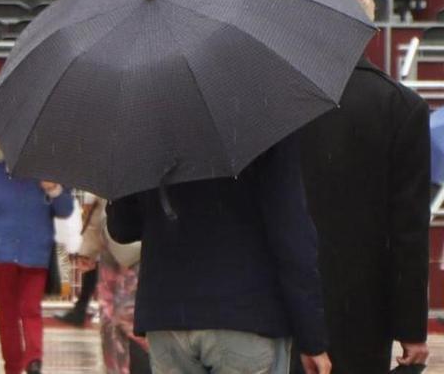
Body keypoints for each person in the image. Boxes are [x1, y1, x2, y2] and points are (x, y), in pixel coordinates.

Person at [107, 135, 332, 374]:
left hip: (167, 314)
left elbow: (122, 227)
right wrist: (312, 338)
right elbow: (290, 232)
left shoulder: (146, 122)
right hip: (245, 312)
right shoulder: (262, 121)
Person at [295, 0, 430, 373]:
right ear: (369, 29)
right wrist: (412, 328)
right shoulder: (402, 107)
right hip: (366, 307)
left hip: (289, 301)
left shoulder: (284, 102)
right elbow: (408, 228)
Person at [0, 161, 73, 374]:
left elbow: (65, 209)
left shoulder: (48, 173)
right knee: (7, 315)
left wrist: (53, 189)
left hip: (36, 254)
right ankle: (12, 366)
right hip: (2, 254)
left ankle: (34, 360)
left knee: (30, 308)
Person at [75, 194, 150, 374]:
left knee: (127, 316)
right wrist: (89, 249)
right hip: (118, 250)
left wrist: (89, 249)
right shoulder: (114, 171)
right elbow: (98, 207)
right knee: (112, 320)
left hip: (141, 252)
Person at [55, 193, 103, 327]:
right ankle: (81, 307)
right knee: (93, 268)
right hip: (105, 225)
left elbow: (88, 206)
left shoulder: (94, 182)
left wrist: (80, 231)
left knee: (89, 267)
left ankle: (80, 310)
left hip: (94, 226)